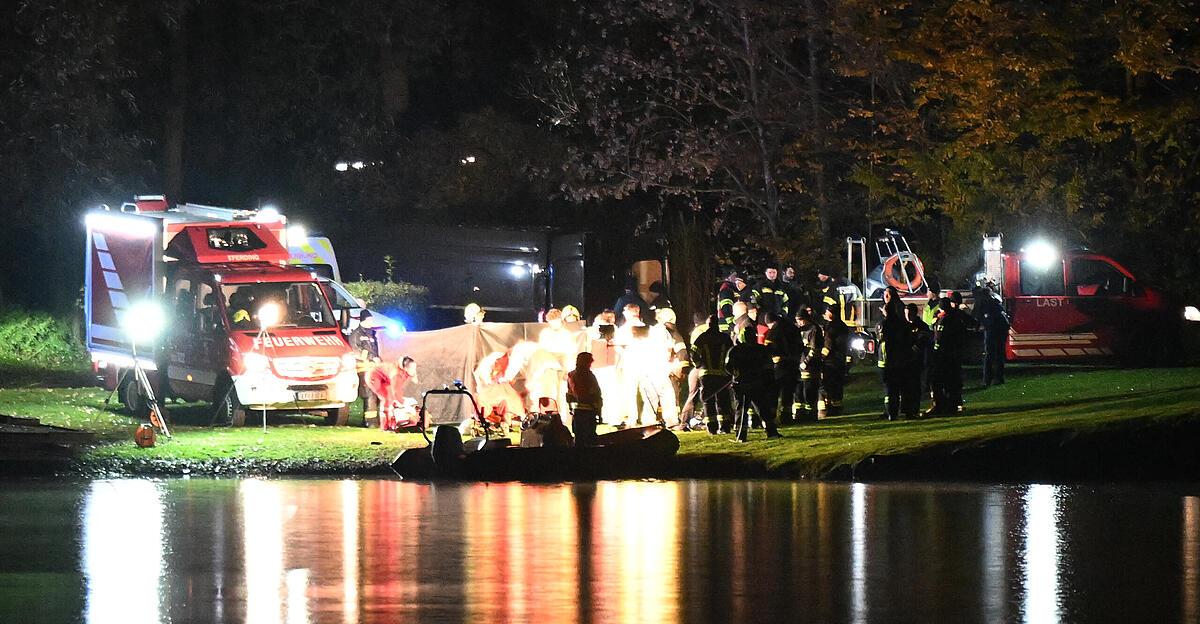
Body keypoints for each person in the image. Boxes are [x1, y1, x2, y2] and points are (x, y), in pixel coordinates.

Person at [725, 325, 781, 442]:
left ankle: (741, 435)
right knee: (763, 408)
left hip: (741, 384)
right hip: (757, 384)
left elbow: (728, 367)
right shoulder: (761, 350)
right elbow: (768, 368)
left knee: (742, 410)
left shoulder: (735, 350)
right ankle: (771, 432)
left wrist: (736, 375)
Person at [690, 315, 734, 434]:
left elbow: (693, 353)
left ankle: (712, 428)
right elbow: (732, 353)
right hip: (722, 374)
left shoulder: (702, 338)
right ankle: (725, 427)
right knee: (723, 401)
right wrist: (729, 369)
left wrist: (698, 364)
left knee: (708, 401)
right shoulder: (725, 338)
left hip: (706, 374)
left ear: (708, 324)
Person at [876, 287, 914, 420]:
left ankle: (893, 412)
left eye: (887, 295)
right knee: (897, 387)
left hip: (891, 359)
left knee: (892, 387)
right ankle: (896, 411)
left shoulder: (888, 320)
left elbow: (881, 337)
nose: (885, 297)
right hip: (899, 357)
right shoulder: (898, 320)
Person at [926, 296, 968, 415]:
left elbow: (938, 338)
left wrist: (935, 353)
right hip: (953, 355)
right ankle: (952, 404)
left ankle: (939, 405)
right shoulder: (956, 317)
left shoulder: (943, 320)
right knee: (952, 380)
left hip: (942, 356)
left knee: (937, 380)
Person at [763, 311, 801, 425]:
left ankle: (772, 418)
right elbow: (800, 346)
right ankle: (787, 417)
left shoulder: (773, 331)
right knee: (788, 392)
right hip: (793, 364)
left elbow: (767, 350)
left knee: (774, 393)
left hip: (779, 366)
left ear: (771, 322)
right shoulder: (793, 328)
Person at [349, 310, 382, 428]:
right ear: (363, 320)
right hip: (363, 369)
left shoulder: (371, 334)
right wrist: (371, 358)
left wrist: (377, 358)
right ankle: (370, 422)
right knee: (368, 394)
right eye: (369, 320)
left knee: (375, 393)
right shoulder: (356, 334)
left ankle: (373, 420)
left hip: (373, 369)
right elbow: (356, 351)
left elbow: (375, 349)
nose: (371, 322)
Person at [367, 356, 419, 431]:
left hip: (382, 378)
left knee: (389, 399)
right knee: (387, 399)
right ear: (405, 368)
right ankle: (384, 425)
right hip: (374, 377)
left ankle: (388, 423)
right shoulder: (397, 374)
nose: (414, 370)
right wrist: (406, 405)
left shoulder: (403, 371)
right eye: (411, 368)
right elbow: (396, 393)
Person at [972, 283, 1009, 386]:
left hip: (992, 329)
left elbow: (976, 317)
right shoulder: (996, 302)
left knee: (989, 355)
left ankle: (987, 379)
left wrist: (975, 328)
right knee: (999, 354)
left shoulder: (982, 302)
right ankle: (999, 378)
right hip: (1002, 328)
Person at [566, 352, 603, 446]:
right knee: (590, 439)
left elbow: (569, 395)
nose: (591, 364)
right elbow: (596, 394)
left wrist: (571, 408)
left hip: (578, 413)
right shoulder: (589, 376)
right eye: (589, 362)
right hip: (588, 412)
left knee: (579, 438)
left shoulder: (571, 375)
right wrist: (598, 411)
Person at [820, 304, 850, 416]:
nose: (825, 314)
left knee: (829, 385)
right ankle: (837, 407)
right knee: (838, 385)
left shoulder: (831, 327)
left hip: (831, 361)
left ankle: (831, 409)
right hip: (840, 360)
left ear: (832, 314)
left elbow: (828, 345)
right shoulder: (843, 325)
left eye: (827, 312)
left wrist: (821, 358)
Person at [796, 307, 824, 422]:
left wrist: (806, 362)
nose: (798, 323)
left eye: (800, 320)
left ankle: (811, 414)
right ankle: (800, 413)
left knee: (810, 390)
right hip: (800, 364)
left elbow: (814, 349)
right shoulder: (800, 329)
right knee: (799, 391)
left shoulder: (814, 329)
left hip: (811, 366)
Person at [905, 303, 931, 418]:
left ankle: (914, 408)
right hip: (905, 360)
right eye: (906, 314)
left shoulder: (922, 326)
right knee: (906, 386)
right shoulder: (903, 326)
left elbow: (924, 340)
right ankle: (907, 409)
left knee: (916, 386)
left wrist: (914, 349)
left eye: (909, 314)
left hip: (917, 360)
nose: (907, 316)